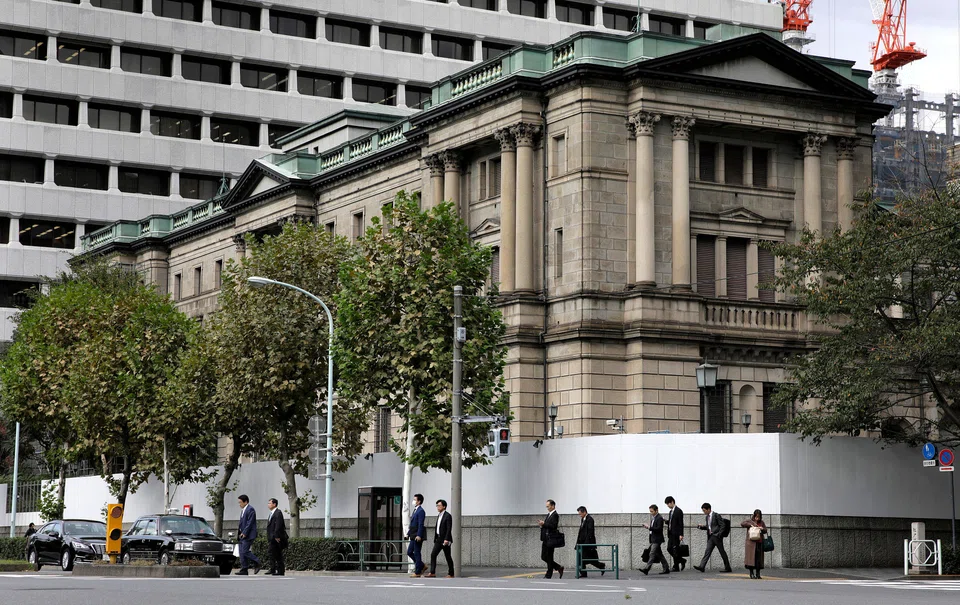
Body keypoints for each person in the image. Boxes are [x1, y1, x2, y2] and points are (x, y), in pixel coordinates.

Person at [693, 502, 732, 573]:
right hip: (710, 537)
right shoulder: (707, 517)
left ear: (708, 509)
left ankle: (728, 567)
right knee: (707, 551)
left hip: (717, 537)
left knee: (722, 552)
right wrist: (701, 527)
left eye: (704, 510)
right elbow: (709, 527)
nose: (704, 512)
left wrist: (719, 534)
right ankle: (702, 566)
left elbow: (722, 525)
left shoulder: (716, 515)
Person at [425, 499, 454, 578]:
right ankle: (432, 572)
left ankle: (451, 573)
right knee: (433, 554)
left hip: (445, 539)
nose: (437, 507)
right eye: (437, 505)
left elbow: (449, 528)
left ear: (444, 506)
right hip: (438, 539)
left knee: (448, 556)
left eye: (439, 505)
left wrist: (447, 539)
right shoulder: (439, 515)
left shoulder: (447, 516)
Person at [639, 504, 670, 576]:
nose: (651, 513)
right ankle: (666, 568)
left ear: (656, 510)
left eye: (652, 511)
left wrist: (649, 527)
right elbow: (653, 529)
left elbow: (659, 529)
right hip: (653, 538)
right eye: (650, 511)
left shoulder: (659, 518)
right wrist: (648, 528)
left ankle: (647, 569)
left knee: (652, 553)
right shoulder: (654, 518)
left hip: (657, 539)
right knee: (659, 554)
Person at [537, 499, 564, 579]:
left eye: (548, 506)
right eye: (546, 507)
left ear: (553, 506)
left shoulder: (555, 515)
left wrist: (544, 523)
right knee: (544, 557)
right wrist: (542, 525)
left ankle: (549, 575)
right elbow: (547, 525)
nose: (547, 508)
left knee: (549, 557)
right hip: (546, 538)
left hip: (551, 539)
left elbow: (553, 526)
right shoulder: (549, 514)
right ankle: (558, 567)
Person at [575, 506, 605, 577]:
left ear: (584, 512)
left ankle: (600, 566)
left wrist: (586, 544)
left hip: (587, 543)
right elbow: (581, 532)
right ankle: (584, 573)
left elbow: (590, 532)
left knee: (588, 559)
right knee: (581, 559)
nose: (580, 515)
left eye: (580, 514)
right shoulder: (583, 519)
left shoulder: (590, 519)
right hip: (582, 543)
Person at [235, 494, 261, 575]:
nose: (239, 504)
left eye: (240, 502)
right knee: (241, 552)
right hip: (241, 535)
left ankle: (257, 562)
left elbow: (250, 523)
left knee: (245, 551)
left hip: (248, 535)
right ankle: (244, 569)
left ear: (245, 502)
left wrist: (245, 532)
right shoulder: (243, 510)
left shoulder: (250, 509)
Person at [740, 509, 768, 579]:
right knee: (751, 560)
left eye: (759, 517)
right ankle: (751, 573)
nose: (757, 518)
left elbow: (765, 530)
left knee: (758, 560)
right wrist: (750, 525)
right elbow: (742, 523)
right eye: (756, 517)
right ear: (754, 516)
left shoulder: (762, 522)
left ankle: (758, 574)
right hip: (751, 544)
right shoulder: (750, 521)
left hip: (759, 543)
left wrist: (762, 528)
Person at [265, 498, 288, 576]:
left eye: (270, 503)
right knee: (275, 553)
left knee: (274, 553)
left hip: (276, 537)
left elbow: (278, 525)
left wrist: (277, 536)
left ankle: (277, 569)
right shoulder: (272, 513)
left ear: (274, 504)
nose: (268, 505)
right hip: (272, 537)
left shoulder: (278, 513)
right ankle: (276, 569)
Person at [407, 494, 426, 578]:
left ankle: (418, 571)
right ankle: (421, 565)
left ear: (419, 501)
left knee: (417, 552)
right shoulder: (415, 510)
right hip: (412, 534)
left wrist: (419, 535)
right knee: (409, 552)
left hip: (417, 535)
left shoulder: (421, 511)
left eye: (415, 500)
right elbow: (412, 524)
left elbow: (421, 524)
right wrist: (408, 534)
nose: (413, 501)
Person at [665, 496, 685, 571]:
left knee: (675, 550)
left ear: (672, 502)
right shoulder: (671, 512)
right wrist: (667, 522)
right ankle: (681, 560)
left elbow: (680, 523)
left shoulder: (678, 511)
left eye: (668, 503)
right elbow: (672, 522)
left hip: (676, 533)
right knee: (669, 548)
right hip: (671, 533)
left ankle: (676, 566)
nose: (668, 505)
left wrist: (681, 534)